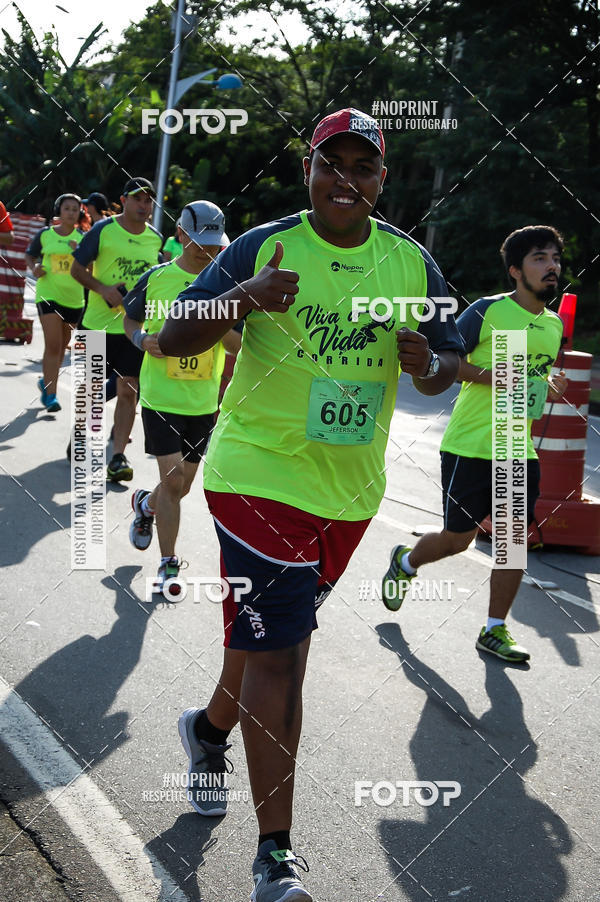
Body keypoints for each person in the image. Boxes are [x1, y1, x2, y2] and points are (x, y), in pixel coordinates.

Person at [158, 108, 464, 902]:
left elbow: (448, 363)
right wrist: (246, 298)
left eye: (365, 168)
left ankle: (208, 730)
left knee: (266, 641)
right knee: (284, 656)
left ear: (381, 181)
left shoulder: (410, 262)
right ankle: (274, 858)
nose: (347, 180)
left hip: (350, 495)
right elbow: (172, 335)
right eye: (334, 163)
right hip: (256, 480)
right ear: (309, 169)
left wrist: (429, 361)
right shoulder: (263, 246)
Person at [381, 225, 568, 663]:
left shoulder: (553, 325)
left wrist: (549, 386)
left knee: (512, 541)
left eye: (555, 258)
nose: (552, 266)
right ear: (515, 270)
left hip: (516, 446)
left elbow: (532, 382)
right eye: (540, 258)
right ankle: (405, 561)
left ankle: (494, 629)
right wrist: (501, 378)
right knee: (456, 540)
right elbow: (447, 362)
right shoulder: (488, 312)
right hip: (470, 444)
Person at [122, 201, 240, 590]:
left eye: (214, 243)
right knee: (173, 482)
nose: (206, 250)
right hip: (160, 398)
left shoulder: (230, 285)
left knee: (182, 486)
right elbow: (130, 318)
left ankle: (146, 504)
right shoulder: (158, 278)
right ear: (181, 235)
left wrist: (213, 321)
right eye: (199, 242)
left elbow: (240, 345)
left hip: (204, 402)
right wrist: (142, 339)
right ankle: (168, 562)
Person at [71, 177, 162, 481]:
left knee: (128, 390)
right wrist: (103, 288)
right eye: (138, 198)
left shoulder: (155, 239)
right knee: (91, 390)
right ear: (124, 201)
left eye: (148, 200)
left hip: (131, 329)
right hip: (96, 325)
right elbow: (76, 269)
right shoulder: (103, 230)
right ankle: (81, 432)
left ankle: (118, 456)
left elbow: (156, 282)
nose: (143, 205)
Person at [25, 194, 85, 412]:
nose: (71, 212)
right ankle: (51, 396)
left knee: (61, 348)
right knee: (53, 344)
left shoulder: (83, 238)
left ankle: (45, 381)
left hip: (74, 299)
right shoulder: (45, 234)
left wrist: (78, 250)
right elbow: (30, 256)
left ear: (79, 213)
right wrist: (34, 269)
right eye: (67, 208)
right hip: (48, 294)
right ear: (59, 211)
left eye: (75, 209)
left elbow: (91, 269)